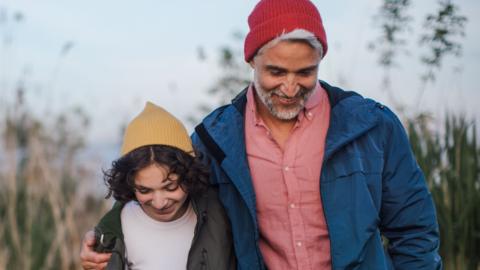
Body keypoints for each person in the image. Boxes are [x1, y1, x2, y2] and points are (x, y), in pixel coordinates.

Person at [81, 0, 442, 269]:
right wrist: (107, 238)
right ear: (251, 60)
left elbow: (415, 230)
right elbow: (160, 180)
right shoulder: (214, 139)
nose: (290, 86)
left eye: (305, 72)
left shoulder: (372, 127)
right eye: (276, 71)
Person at [82, 102, 235, 270]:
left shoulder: (220, 214)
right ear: (129, 184)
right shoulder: (114, 231)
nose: (159, 202)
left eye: (170, 187)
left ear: (189, 174)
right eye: (144, 190)